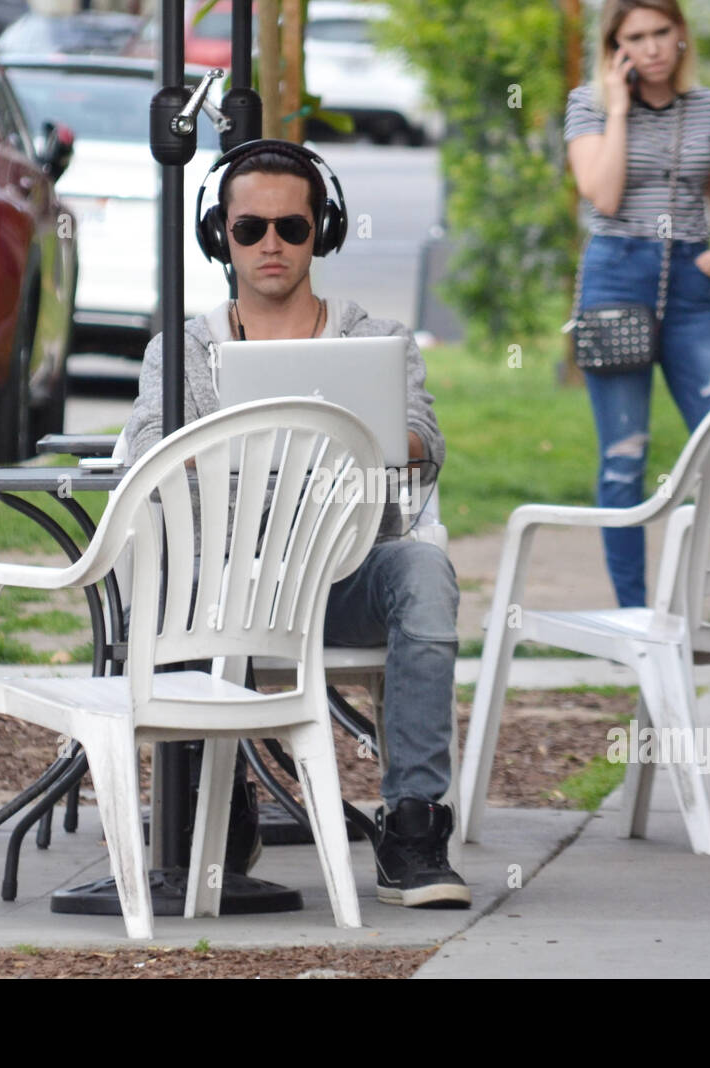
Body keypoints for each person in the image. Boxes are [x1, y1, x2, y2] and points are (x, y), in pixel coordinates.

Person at [122, 139, 470, 908]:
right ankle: (215, 805)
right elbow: (146, 449)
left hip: (344, 578)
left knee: (424, 575)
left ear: (324, 231)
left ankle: (415, 826)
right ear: (221, 236)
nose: (271, 244)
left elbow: (425, 445)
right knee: (170, 573)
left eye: (292, 227)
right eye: (250, 229)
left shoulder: (374, 340)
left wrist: (366, 427)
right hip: (226, 594)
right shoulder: (184, 349)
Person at [564, 0, 710, 624]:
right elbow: (601, 192)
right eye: (636, 38)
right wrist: (619, 107)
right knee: (624, 459)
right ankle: (633, 618)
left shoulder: (709, 107)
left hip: (688, 282)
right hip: (616, 277)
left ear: (681, 35)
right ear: (616, 47)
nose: (651, 47)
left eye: (661, 32)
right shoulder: (589, 104)